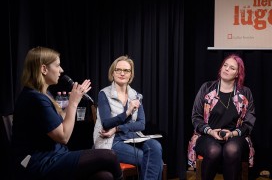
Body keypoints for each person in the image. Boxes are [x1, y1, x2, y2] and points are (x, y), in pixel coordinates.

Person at [11, 46, 123, 180]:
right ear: (44, 69)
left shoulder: (43, 94)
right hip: (41, 162)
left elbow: (58, 121)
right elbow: (64, 137)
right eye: (57, 65)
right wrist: (73, 103)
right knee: (110, 156)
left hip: (55, 155)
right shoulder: (35, 99)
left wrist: (72, 101)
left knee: (104, 176)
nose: (61, 70)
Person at [93, 55, 163, 180]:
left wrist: (118, 128)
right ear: (112, 73)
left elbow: (141, 124)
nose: (122, 73)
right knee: (154, 163)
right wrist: (128, 111)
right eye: (118, 70)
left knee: (155, 146)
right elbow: (106, 123)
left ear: (131, 74)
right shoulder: (104, 94)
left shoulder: (136, 95)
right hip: (111, 141)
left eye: (126, 70)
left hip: (132, 138)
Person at [190, 54, 256, 180]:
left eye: (232, 68)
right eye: (225, 65)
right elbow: (196, 117)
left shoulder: (245, 93)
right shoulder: (206, 88)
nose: (226, 69)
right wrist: (210, 131)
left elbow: (249, 123)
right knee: (214, 150)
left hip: (235, 136)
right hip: (207, 135)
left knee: (231, 149)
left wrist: (232, 134)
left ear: (237, 74)